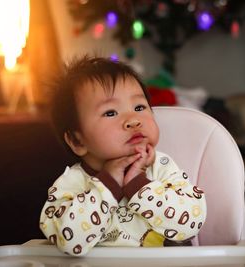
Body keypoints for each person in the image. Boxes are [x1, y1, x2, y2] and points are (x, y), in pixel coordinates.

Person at [39, 55, 207, 256]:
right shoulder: (71, 185)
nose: (133, 120)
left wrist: (139, 185)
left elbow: (190, 224)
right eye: (110, 112)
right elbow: (68, 243)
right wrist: (108, 184)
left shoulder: (161, 168)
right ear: (77, 141)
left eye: (139, 107)